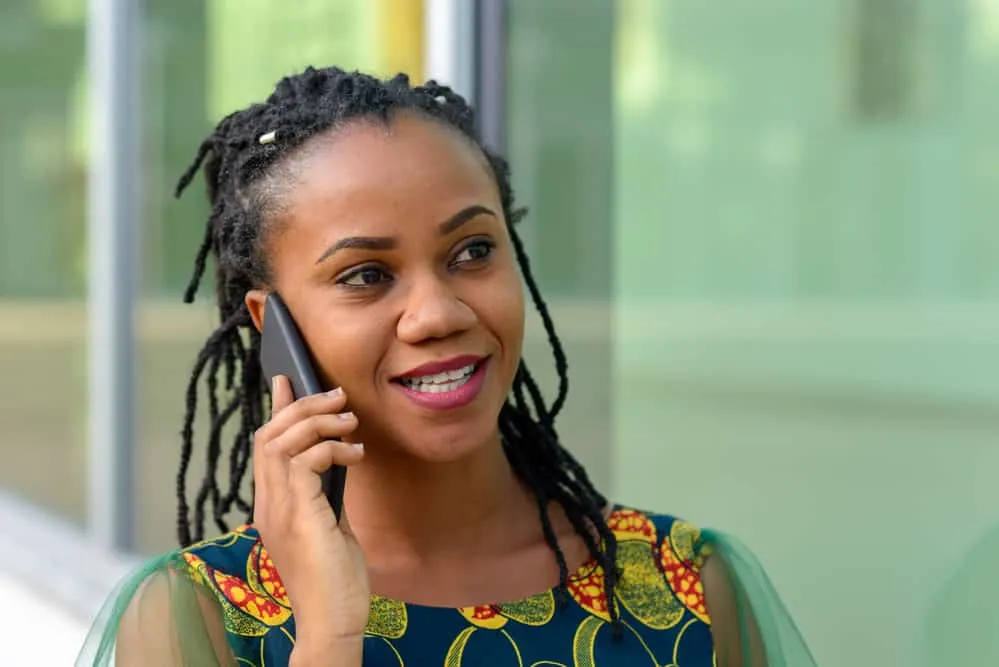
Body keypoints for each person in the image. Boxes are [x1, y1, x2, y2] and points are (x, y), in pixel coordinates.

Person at [77, 66, 816, 667]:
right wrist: (330, 637)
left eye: (472, 252)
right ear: (278, 332)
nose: (438, 313)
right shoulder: (203, 615)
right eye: (366, 274)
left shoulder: (688, 589)